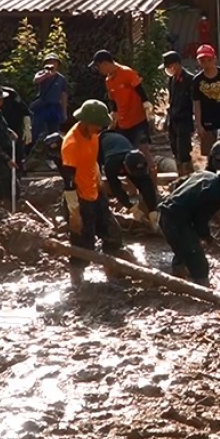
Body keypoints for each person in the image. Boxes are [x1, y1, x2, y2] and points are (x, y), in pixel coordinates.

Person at [159, 158, 220, 285]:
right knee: (199, 263)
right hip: (176, 221)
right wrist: (206, 236)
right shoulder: (215, 192)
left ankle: (177, 282)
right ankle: (203, 292)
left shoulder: (206, 175)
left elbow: (178, 184)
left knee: (183, 250)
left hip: (166, 214)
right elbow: (200, 221)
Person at [62, 100, 123, 279]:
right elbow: (69, 182)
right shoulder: (71, 144)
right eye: (97, 125)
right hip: (79, 198)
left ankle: (111, 270)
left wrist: (99, 180)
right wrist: (74, 213)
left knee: (113, 233)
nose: (99, 129)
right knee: (83, 244)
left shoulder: (93, 136)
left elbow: (92, 161)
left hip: (95, 192)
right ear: (86, 122)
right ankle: (77, 280)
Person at [90, 49, 153, 168]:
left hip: (137, 120)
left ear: (105, 63)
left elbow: (141, 90)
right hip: (123, 123)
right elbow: (113, 101)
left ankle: (153, 180)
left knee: (143, 151)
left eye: (99, 66)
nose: (99, 70)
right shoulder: (108, 81)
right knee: (125, 153)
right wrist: (113, 119)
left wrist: (147, 106)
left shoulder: (127, 72)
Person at [98, 129, 160, 227]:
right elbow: (116, 188)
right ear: (125, 166)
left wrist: (153, 210)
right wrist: (131, 208)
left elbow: (147, 184)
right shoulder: (111, 164)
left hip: (120, 141)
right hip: (100, 144)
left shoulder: (138, 158)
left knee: (143, 181)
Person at [161, 51, 196, 176]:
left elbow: (194, 102)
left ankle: (188, 176)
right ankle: (180, 174)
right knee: (174, 149)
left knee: (183, 151)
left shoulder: (189, 79)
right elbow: (171, 100)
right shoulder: (172, 80)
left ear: (175, 65)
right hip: (173, 119)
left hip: (184, 119)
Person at [31, 55, 69, 145]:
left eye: (54, 61)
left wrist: (64, 112)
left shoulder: (61, 78)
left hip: (55, 107)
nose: (52, 63)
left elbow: (64, 95)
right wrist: (46, 75)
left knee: (54, 133)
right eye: (49, 61)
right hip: (42, 106)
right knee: (36, 130)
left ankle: (51, 152)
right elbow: (36, 81)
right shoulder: (41, 73)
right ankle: (31, 150)